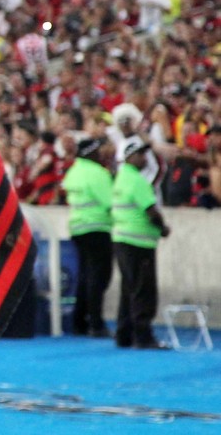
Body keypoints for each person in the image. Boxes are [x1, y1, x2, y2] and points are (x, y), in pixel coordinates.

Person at [111, 137, 171, 349]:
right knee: (143, 291)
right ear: (129, 157)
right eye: (140, 154)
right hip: (139, 242)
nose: (144, 158)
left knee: (128, 288)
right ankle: (143, 336)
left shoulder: (120, 178)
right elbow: (151, 210)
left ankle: (124, 334)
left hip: (121, 238)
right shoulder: (136, 181)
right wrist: (163, 228)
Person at [62, 137, 113, 337]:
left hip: (78, 227)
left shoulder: (74, 171)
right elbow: (110, 201)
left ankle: (79, 321)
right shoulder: (97, 173)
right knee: (99, 277)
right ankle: (96, 323)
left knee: (84, 276)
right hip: (98, 226)